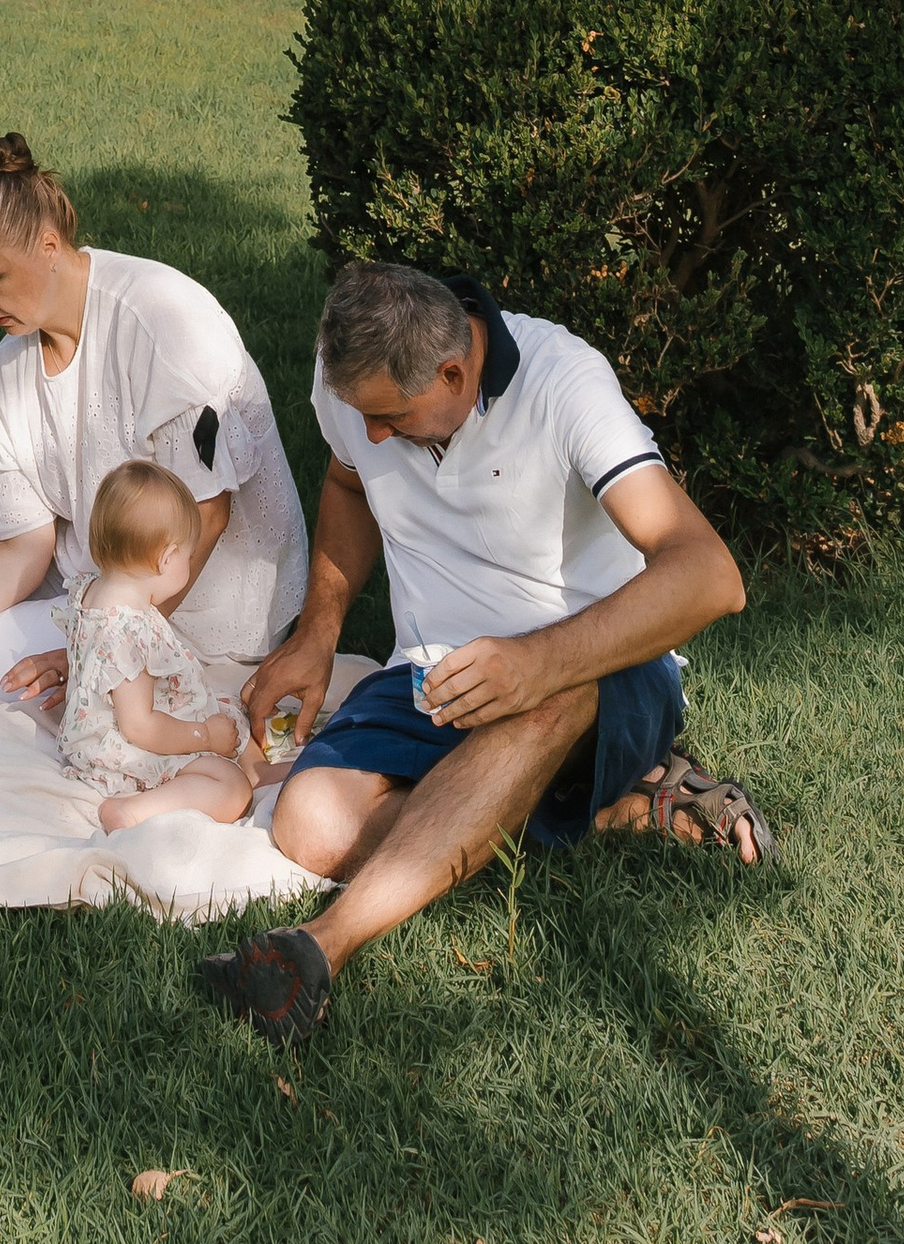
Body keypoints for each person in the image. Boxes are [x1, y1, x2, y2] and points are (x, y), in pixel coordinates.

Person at [203, 261, 776, 1044]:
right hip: (433, 672)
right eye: (358, 412)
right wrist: (318, 632)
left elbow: (712, 575)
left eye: (389, 416)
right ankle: (614, 809)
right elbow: (346, 484)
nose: (371, 433)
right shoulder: (356, 382)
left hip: (595, 668)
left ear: (453, 371)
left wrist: (539, 661)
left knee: (553, 700)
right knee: (309, 824)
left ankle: (317, 948)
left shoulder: (565, 383)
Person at [0, 132, 307, 714]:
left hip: (199, 599)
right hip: (88, 568)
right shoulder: (5, 369)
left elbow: (206, 515)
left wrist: (103, 647)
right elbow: (25, 547)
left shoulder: (161, 323)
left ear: (50, 245)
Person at [59, 461, 257, 837]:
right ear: (166, 559)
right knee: (231, 789)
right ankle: (133, 810)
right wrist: (204, 737)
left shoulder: (92, 593)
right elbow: (139, 726)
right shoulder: (128, 631)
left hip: (112, 727)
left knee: (225, 707)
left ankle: (251, 764)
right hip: (121, 752)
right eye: (188, 553)